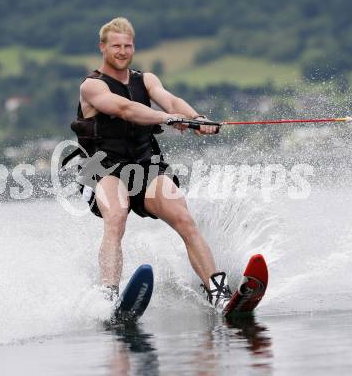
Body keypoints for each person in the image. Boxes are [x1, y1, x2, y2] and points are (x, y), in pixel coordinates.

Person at [69, 17, 232, 310]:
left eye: (127, 45)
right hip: (103, 168)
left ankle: (217, 291)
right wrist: (168, 119)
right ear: (102, 48)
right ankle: (108, 295)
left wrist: (196, 120)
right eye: (115, 46)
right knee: (116, 216)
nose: (122, 51)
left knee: (183, 217)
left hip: (144, 164)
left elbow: (170, 101)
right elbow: (124, 108)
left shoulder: (146, 80)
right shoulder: (91, 87)